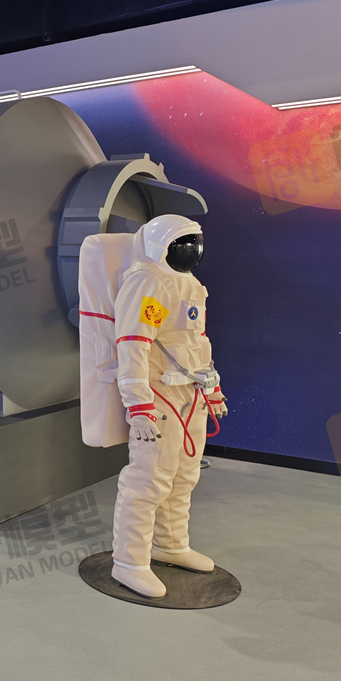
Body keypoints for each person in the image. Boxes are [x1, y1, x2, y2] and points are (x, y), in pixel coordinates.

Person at [110, 214, 227, 599]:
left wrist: (212, 388)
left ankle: (171, 544)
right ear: (161, 247)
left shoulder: (189, 284)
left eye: (195, 242)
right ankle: (130, 561)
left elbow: (198, 342)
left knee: (184, 475)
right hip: (159, 394)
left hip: (191, 393)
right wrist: (138, 405)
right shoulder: (149, 283)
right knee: (150, 479)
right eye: (183, 243)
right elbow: (134, 345)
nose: (191, 250)